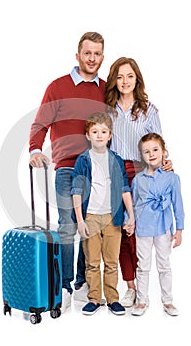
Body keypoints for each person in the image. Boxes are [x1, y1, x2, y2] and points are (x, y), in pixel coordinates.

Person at [29, 32, 106, 312]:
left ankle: (84, 283)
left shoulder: (105, 89)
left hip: (97, 169)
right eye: (87, 53)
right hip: (66, 167)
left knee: (91, 225)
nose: (92, 59)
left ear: (102, 57)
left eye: (97, 54)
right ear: (78, 56)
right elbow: (40, 124)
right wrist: (35, 150)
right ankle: (65, 284)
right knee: (67, 225)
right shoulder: (58, 86)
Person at [104, 57, 173, 307]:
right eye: (120, 76)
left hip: (142, 173)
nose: (125, 81)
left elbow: (159, 144)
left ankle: (146, 290)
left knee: (141, 231)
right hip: (115, 172)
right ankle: (130, 286)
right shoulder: (107, 109)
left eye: (130, 76)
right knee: (122, 231)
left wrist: (165, 161)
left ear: (137, 79)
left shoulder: (148, 110)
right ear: (114, 80)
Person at [71, 112, 135, 315]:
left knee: (111, 261)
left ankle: (113, 299)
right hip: (90, 216)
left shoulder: (116, 159)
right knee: (92, 262)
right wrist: (80, 220)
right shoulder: (83, 160)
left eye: (104, 131)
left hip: (112, 217)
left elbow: (125, 188)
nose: (99, 135)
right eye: (95, 131)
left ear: (110, 135)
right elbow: (77, 191)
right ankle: (94, 298)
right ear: (88, 135)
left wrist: (131, 216)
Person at [130, 133, 184, 316]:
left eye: (155, 150)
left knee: (164, 265)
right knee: (143, 266)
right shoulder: (138, 179)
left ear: (163, 152)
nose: (151, 154)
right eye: (146, 152)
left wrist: (179, 230)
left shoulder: (172, 178)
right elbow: (133, 203)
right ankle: (142, 300)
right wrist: (128, 221)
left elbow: (178, 205)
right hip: (143, 228)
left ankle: (168, 301)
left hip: (163, 228)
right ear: (142, 155)